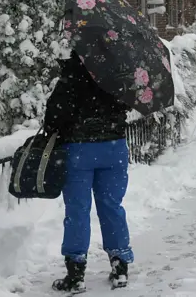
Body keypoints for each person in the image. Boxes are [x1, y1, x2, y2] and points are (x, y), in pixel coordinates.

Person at [44, 51, 133, 293]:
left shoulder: (73, 73)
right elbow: (128, 103)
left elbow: (54, 115)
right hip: (114, 148)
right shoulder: (118, 69)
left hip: (79, 151)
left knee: (78, 211)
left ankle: (76, 273)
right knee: (112, 206)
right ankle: (120, 266)